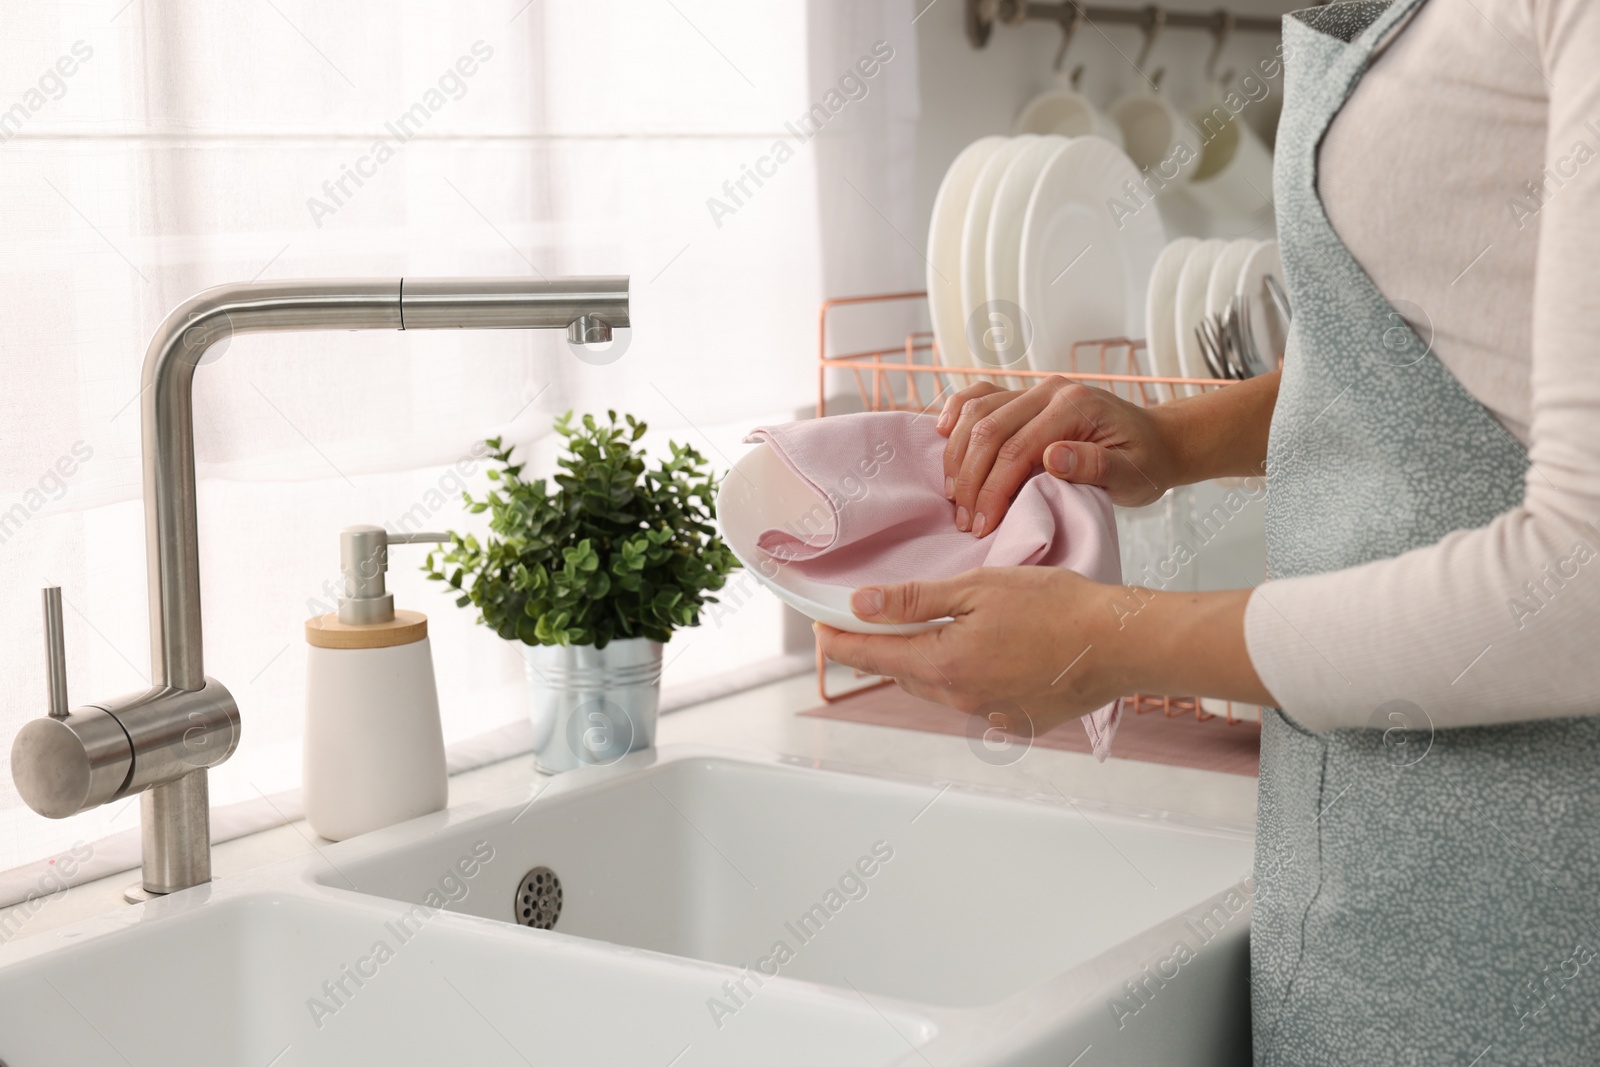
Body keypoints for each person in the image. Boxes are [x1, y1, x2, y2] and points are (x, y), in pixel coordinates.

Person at [816, 0, 1600, 1062]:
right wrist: (1177, 439)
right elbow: (1440, 343)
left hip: (1543, 897)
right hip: (1363, 872)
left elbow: (1579, 591)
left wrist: (1115, 640)